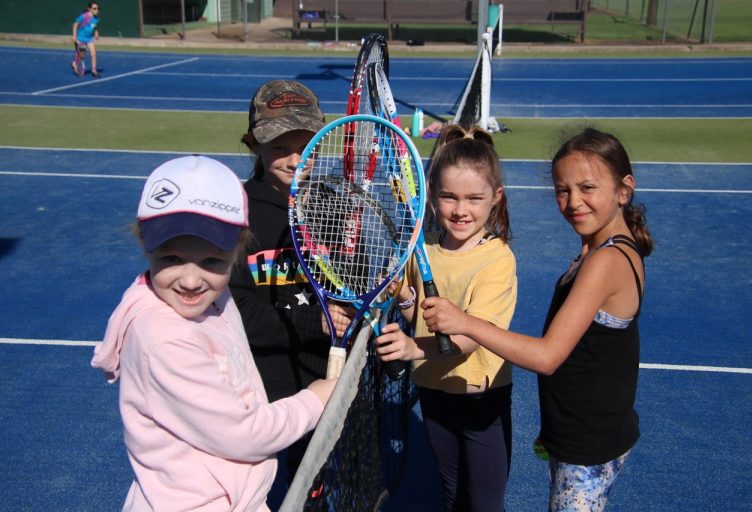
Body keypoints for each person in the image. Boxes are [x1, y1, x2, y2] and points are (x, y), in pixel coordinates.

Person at [421, 127, 654, 512]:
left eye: (587, 188)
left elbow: (547, 356)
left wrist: (464, 322)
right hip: (582, 431)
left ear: (624, 189)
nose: (573, 201)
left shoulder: (606, 261)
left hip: (588, 443)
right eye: (563, 190)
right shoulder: (599, 249)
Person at [91, 155, 336, 511]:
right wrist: (314, 400)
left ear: (238, 250)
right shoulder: (165, 341)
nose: (191, 282)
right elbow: (245, 435)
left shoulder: (216, 296)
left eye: (211, 262)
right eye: (171, 259)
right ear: (145, 244)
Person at [375, 124, 518, 511]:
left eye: (474, 198)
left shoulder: (497, 260)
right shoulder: (428, 248)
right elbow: (419, 315)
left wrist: (410, 347)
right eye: (449, 197)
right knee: (452, 493)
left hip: (480, 402)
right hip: (435, 394)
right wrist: (403, 295)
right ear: (432, 197)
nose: (460, 210)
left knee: (484, 502)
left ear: (496, 199)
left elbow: (470, 339)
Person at [228, 80, 354, 497]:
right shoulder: (237, 214)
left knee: (314, 489)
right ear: (254, 144)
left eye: (307, 144)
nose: (296, 158)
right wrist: (309, 321)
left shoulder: (333, 206)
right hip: (260, 388)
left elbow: (353, 281)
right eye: (281, 145)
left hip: (323, 377)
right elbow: (238, 312)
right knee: (252, 490)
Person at [72, 2, 101, 77]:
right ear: (89, 9)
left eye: (98, 8)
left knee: (93, 53)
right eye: (94, 8)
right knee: (82, 55)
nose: (96, 10)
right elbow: (75, 25)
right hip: (81, 38)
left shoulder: (97, 19)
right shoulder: (83, 16)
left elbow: (94, 27)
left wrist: (96, 33)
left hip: (89, 38)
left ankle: (94, 70)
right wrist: (74, 36)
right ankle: (74, 63)